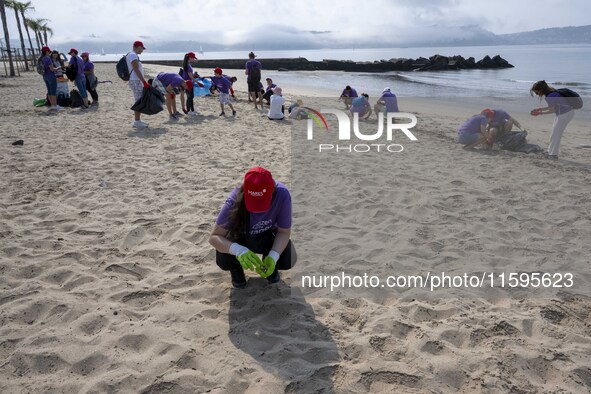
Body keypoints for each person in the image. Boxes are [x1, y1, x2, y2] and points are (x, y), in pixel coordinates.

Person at [209, 167, 296, 288]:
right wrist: (238, 250)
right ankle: (236, 270)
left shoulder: (282, 194)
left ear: (272, 192)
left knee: (287, 257)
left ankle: (269, 263)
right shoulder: (235, 197)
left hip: (266, 236)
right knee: (224, 259)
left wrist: (273, 256)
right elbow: (214, 237)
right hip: (242, 238)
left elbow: (284, 231)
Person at [530, 80, 574, 159]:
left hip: (564, 114)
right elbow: (553, 106)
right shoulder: (552, 93)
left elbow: (552, 110)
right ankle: (550, 152)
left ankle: (553, 155)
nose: (537, 94)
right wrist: (540, 109)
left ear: (541, 90)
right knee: (554, 133)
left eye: (537, 93)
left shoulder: (550, 96)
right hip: (567, 113)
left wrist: (540, 113)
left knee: (556, 135)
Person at [126, 41, 151, 129]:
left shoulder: (131, 54)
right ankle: (137, 121)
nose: (142, 50)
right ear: (139, 46)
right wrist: (144, 81)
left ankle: (138, 120)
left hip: (135, 80)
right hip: (135, 80)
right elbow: (136, 69)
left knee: (139, 100)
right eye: (142, 48)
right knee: (139, 101)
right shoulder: (132, 55)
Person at [39, 46, 63, 110]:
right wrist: (58, 68)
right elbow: (52, 69)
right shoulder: (48, 58)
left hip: (45, 76)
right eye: (49, 51)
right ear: (46, 51)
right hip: (51, 76)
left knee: (49, 91)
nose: (49, 53)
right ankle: (54, 105)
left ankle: (52, 104)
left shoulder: (41, 58)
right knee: (53, 91)